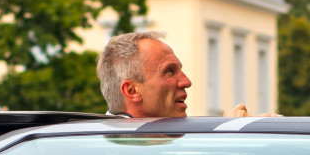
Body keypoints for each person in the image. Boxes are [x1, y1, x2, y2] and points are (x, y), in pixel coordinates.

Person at [96, 30, 260, 118]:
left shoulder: (166, 141)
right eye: (169, 71)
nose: (186, 81)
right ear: (131, 90)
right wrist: (234, 141)